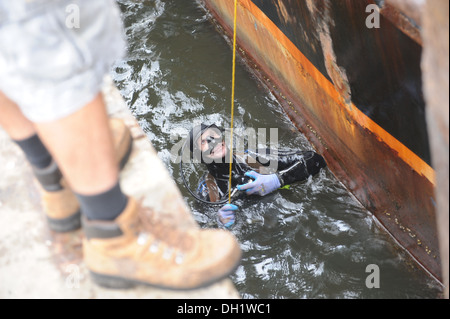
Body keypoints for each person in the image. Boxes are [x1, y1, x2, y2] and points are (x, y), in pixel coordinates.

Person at [0, 0, 241, 290]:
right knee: (57, 41)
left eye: (215, 136)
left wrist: (276, 178)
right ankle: (112, 232)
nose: (214, 141)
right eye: (206, 140)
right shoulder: (207, 188)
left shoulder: (249, 159)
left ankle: (57, 168)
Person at [187, 123, 327, 227]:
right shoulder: (207, 191)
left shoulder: (254, 157)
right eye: (203, 142)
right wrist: (219, 223)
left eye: (213, 135)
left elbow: (315, 160)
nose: (213, 141)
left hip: (291, 217)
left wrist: (278, 180)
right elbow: (200, 235)